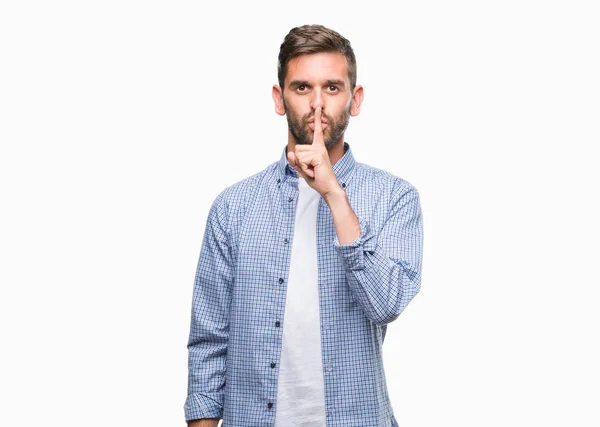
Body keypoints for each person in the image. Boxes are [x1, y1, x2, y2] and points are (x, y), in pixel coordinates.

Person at [184, 24, 424, 427]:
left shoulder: (394, 198)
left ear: (355, 98)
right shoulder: (234, 206)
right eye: (301, 88)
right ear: (279, 99)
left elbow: (386, 304)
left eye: (332, 88)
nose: (317, 105)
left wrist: (334, 195)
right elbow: (209, 340)